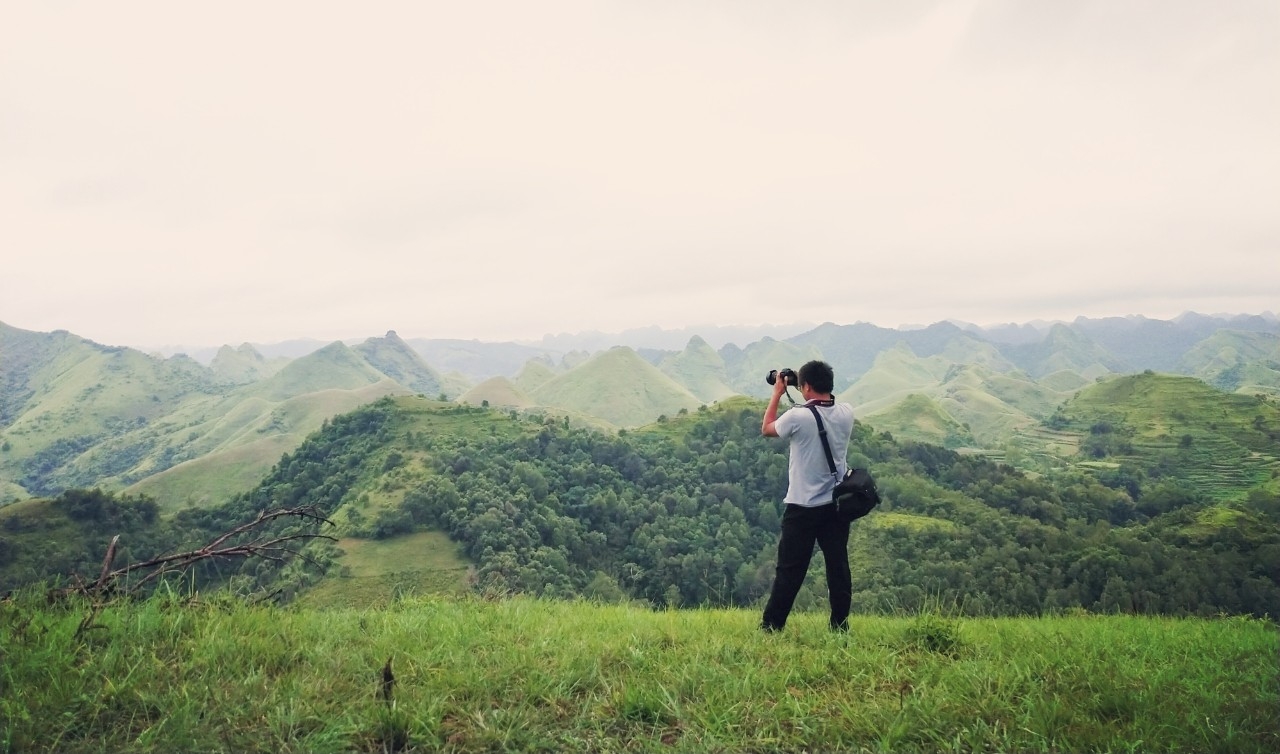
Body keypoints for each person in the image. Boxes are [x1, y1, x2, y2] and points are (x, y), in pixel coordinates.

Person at [759, 359, 856, 633]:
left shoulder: (797, 417)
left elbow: (767, 428)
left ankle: (772, 627)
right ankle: (840, 626)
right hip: (836, 506)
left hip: (802, 506)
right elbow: (829, 405)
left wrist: (778, 392)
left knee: (790, 570)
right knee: (838, 566)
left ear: (807, 386)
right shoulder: (847, 413)